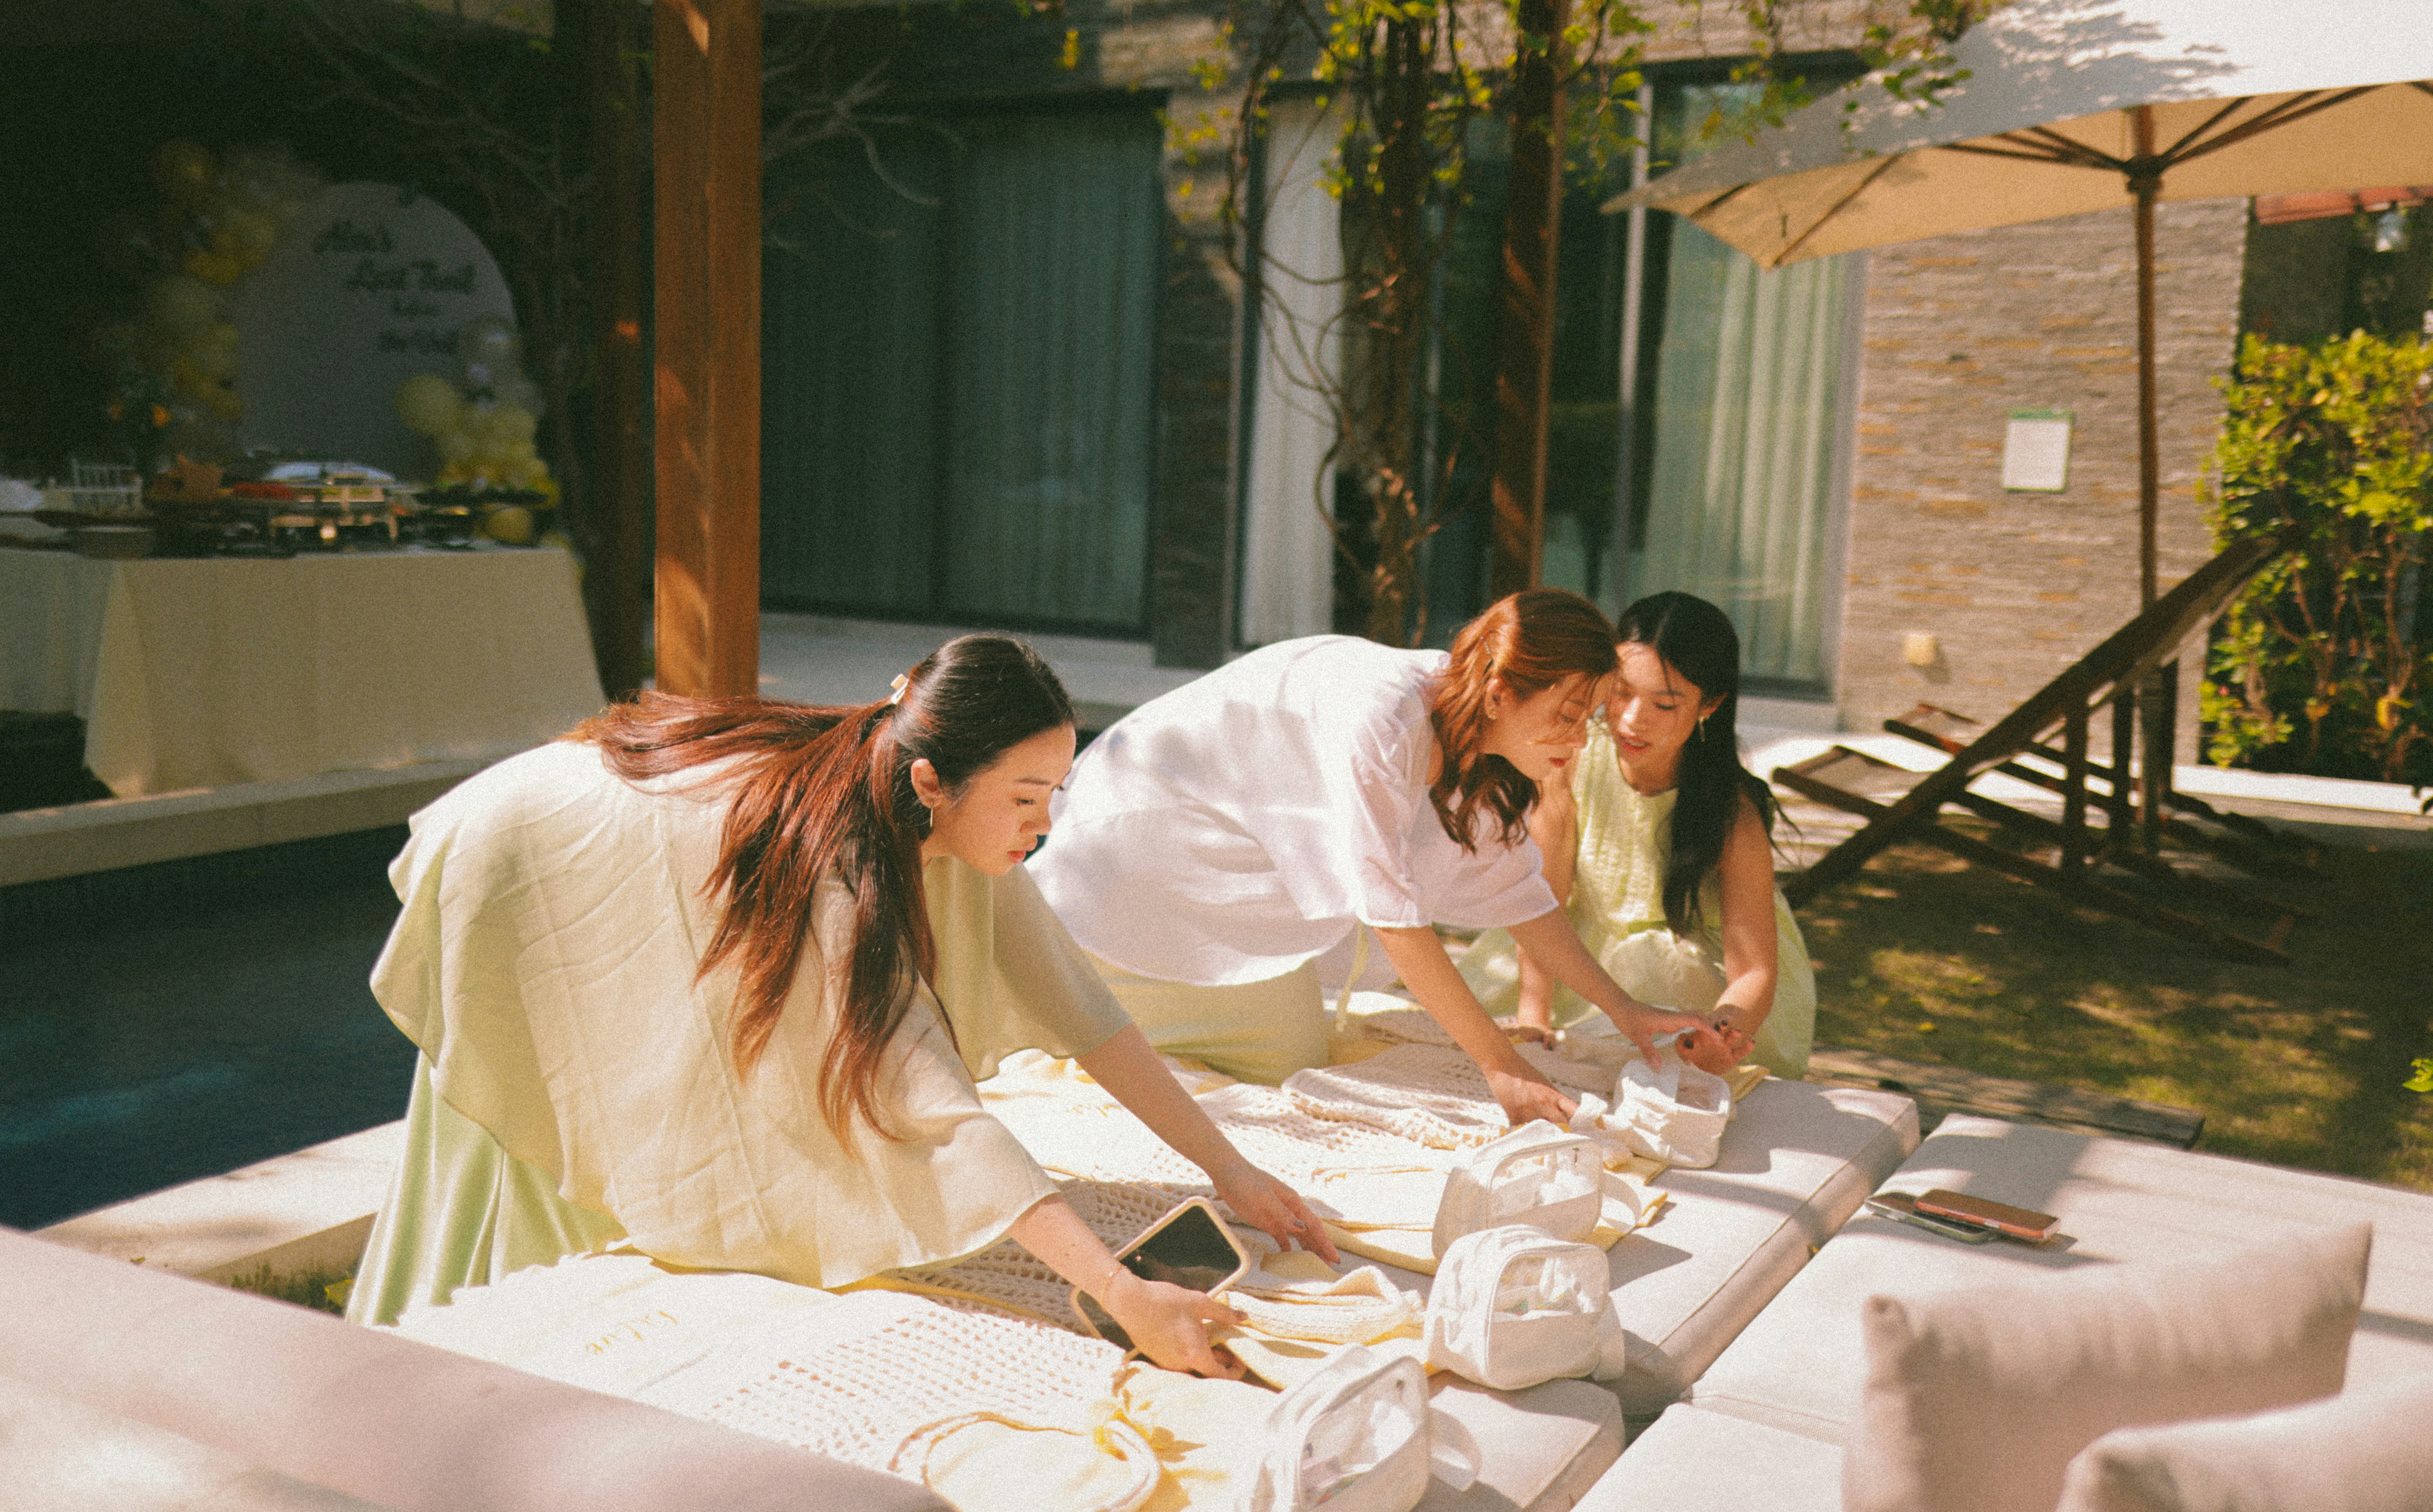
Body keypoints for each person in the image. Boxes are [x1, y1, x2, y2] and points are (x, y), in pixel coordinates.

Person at [347, 634, 1335, 1376]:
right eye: (1028, 797)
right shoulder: (842, 874)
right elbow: (935, 1111)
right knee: (520, 1155)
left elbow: (1083, 1010)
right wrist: (1120, 1293)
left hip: (608, 833)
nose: (1044, 826)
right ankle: (431, 1373)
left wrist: (1232, 1169)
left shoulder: (956, 818)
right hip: (531, 857)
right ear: (931, 781)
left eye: (1057, 793)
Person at [1030, 589, 1716, 1123]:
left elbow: (1520, 894)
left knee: (1286, 1055)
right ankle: (1060, 989)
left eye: (1589, 717)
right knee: (1262, 1053)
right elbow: (1396, 920)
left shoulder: (1480, 731)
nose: (1582, 737)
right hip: (1144, 846)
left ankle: (1090, 1000)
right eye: (1570, 714)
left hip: (1222, 864)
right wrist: (1499, 1066)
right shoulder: (1381, 721)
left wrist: (1626, 1010)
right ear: (1505, 692)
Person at [1456, 591, 1816, 1079]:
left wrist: (1722, 1029)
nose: (1630, 720)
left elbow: (1753, 971)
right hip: (1576, 947)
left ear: (1709, 706)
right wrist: (1533, 1012)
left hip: (1693, 975)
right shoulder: (1573, 756)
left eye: (1665, 705)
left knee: (1650, 979)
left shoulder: (1733, 810)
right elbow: (1547, 895)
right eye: (1621, 692)